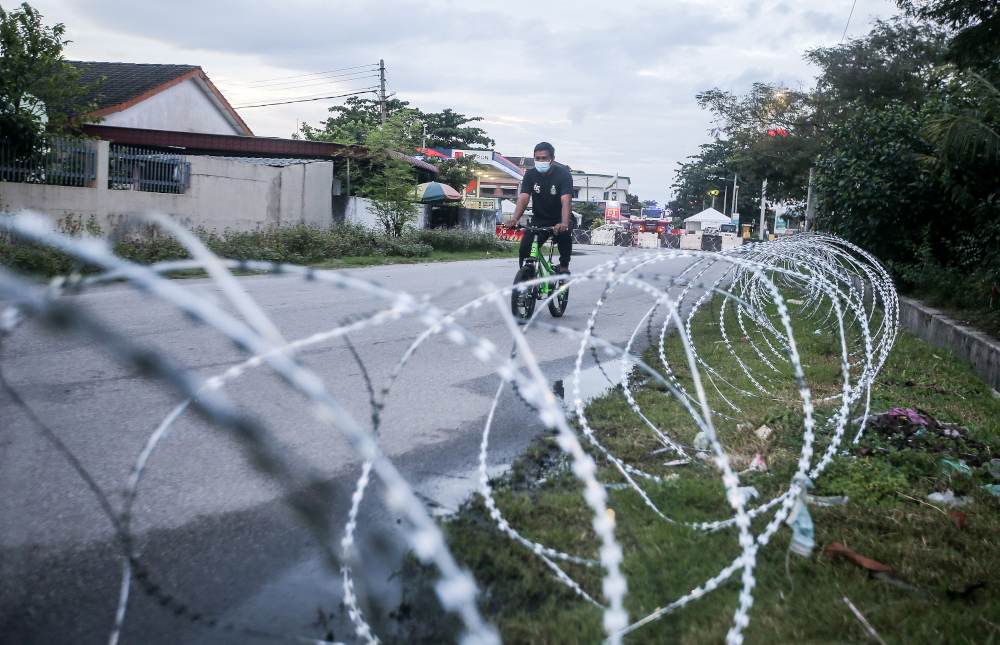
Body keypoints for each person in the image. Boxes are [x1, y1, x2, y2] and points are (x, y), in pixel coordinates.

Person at [504, 142, 574, 273]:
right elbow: (524, 198)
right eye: (538, 158)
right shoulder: (530, 175)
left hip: (559, 219)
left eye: (544, 158)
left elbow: (566, 200)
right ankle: (527, 277)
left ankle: (564, 268)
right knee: (525, 249)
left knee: (565, 237)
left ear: (552, 159)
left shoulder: (563, 175)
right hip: (539, 219)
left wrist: (564, 222)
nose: (541, 161)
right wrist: (515, 219)